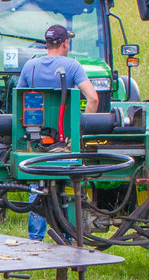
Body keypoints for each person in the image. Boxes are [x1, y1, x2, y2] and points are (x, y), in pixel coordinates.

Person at [16, 24, 100, 241]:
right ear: (65, 43)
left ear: (46, 44)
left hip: (36, 141)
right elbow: (93, 98)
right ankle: (67, 236)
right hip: (64, 144)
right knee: (68, 185)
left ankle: (35, 239)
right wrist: (81, 130)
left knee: (38, 185)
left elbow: (19, 102)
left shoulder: (30, 66)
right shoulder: (72, 66)